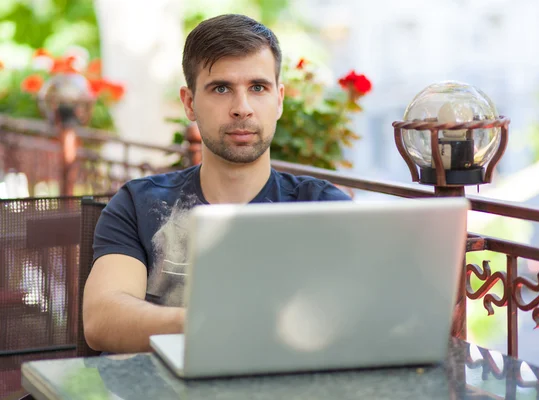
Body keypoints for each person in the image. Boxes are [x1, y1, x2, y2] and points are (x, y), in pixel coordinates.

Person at [82, 14, 351, 354]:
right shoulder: (139, 203)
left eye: (258, 87)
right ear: (189, 102)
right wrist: (215, 325)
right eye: (221, 88)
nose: (242, 108)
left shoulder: (321, 206)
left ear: (279, 99)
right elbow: (102, 320)